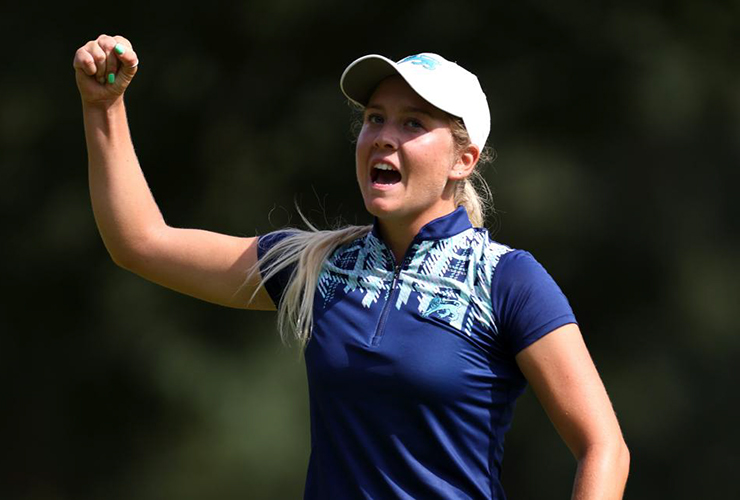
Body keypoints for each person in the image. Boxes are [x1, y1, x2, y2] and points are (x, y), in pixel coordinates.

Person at [74, 34, 630, 499]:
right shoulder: (315, 264)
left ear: (465, 159)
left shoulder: (508, 280)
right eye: (374, 118)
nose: (384, 136)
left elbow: (603, 445)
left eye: (413, 124)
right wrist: (104, 108)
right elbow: (140, 242)